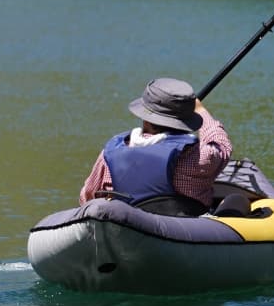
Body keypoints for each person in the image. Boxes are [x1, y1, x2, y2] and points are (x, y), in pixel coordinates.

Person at [78, 77, 236, 217]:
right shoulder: (200, 155)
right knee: (237, 200)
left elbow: (87, 196)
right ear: (187, 120)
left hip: (127, 226)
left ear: (145, 118)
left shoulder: (112, 151)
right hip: (184, 228)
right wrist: (201, 110)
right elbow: (221, 144)